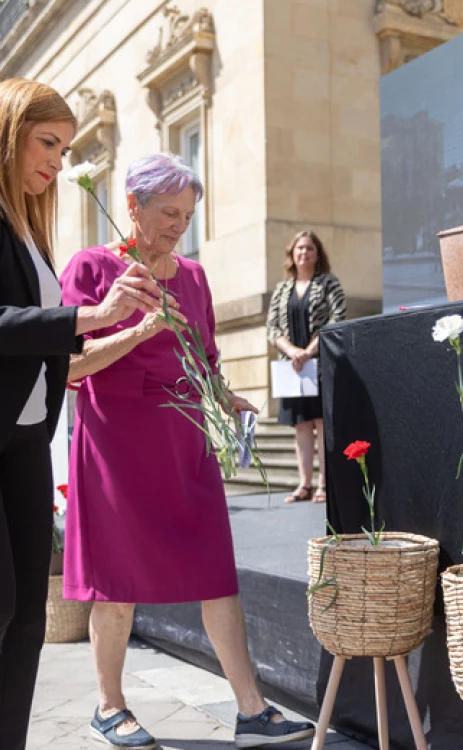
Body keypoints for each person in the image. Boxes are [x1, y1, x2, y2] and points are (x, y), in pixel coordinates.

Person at [60, 154, 315, 749]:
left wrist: (228, 400)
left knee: (215, 573)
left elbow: (204, 361)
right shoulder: (93, 267)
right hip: (118, 445)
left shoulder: (194, 277)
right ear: (132, 207)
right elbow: (68, 368)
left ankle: (252, 709)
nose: (180, 224)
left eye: (188, 214)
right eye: (168, 212)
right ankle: (108, 706)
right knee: (116, 585)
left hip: (185, 441)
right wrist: (136, 329)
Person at [0, 79, 170, 750]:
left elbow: (47, 343)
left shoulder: (29, 228)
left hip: (23, 440)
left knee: (26, 624)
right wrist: (91, 316)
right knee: (3, 605)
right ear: (8, 131)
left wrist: (116, 324)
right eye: (48, 143)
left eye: (66, 149)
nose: (58, 163)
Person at [266, 231, 347, 504]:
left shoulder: (328, 283)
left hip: (321, 365)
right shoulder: (281, 289)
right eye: (300, 248)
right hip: (293, 368)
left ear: (317, 253)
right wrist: (292, 352)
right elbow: (272, 328)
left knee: (321, 423)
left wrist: (310, 351)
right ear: (292, 253)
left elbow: (338, 318)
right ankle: (304, 485)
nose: (304, 253)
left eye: (309, 248)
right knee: (301, 425)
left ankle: (324, 485)